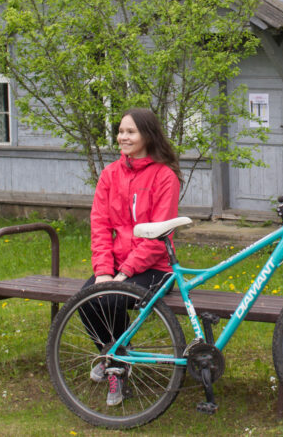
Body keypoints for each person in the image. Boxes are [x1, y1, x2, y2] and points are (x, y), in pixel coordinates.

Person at [76, 108, 181, 407]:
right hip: (117, 264)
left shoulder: (165, 176)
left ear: (147, 135)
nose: (123, 137)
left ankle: (117, 366)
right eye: (121, 131)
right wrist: (103, 271)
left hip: (156, 267)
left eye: (130, 132)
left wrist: (125, 272)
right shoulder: (110, 174)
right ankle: (115, 357)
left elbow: (159, 237)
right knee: (86, 300)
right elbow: (100, 225)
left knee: (110, 299)